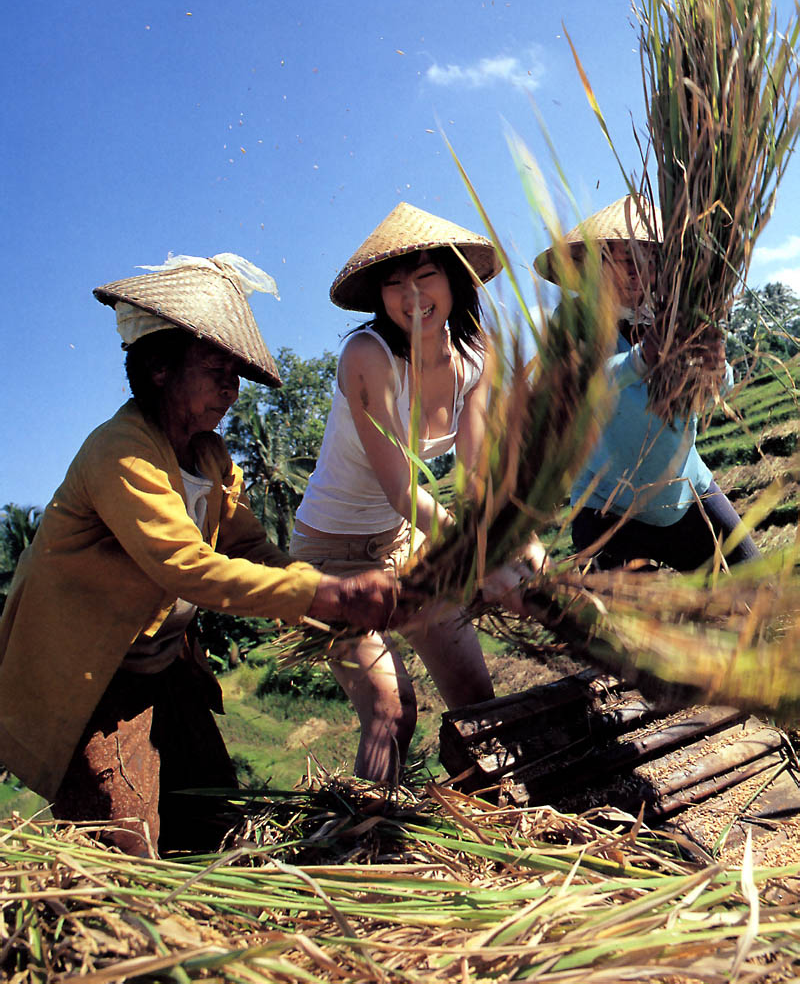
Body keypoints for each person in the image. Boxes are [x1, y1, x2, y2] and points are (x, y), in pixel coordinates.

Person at [0, 253, 413, 856]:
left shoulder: (211, 458)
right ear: (162, 369)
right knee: (124, 848)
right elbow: (186, 568)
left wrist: (315, 589)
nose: (231, 387)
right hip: (95, 678)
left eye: (234, 373)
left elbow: (245, 545)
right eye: (215, 368)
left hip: (165, 668)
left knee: (211, 822)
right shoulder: (121, 452)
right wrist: (325, 593)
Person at [290, 202, 540, 784]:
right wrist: (474, 553)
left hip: (404, 547)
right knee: (391, 713)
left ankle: (492, 823)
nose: (411, 294)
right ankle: (362, 848)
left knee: (478, 700)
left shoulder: (478, 359)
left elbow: (476, 475)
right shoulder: (366, 357)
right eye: (395, 282)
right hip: (330, 561)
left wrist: (508, 540)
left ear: (454, 279)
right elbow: (401, 485)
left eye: (426, 276)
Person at [534, 196, 759, 573]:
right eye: (626, 261)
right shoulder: (573, 320)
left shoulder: (678, 313)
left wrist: (718, 371)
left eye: (650, 260)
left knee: (755, 592)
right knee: (636, 624)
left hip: (685, 491)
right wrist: (641, 358)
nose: (638, 273)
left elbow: (713, 394)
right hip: (606, 505)